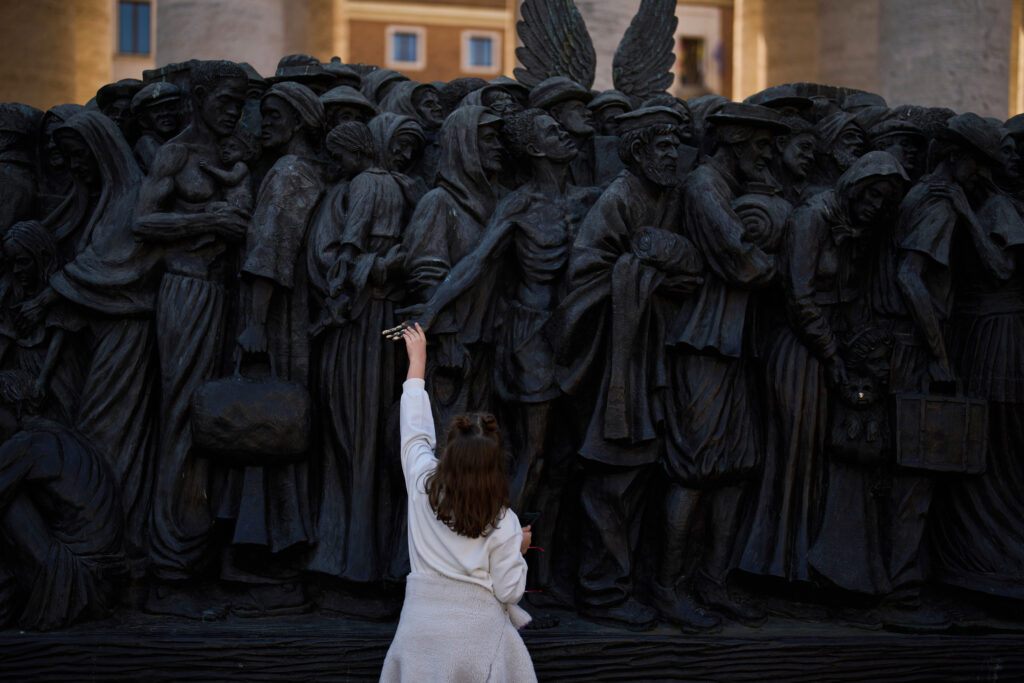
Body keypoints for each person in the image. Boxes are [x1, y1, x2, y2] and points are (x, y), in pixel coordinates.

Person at [380, 323, 536, 683]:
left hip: (420, 634)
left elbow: (414, 429)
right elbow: (509, 590)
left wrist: (417, 360)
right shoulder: (504, 522)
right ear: (496, 468)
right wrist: (519, 548)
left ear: (448, 452)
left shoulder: (421, 482)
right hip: (477, 642)